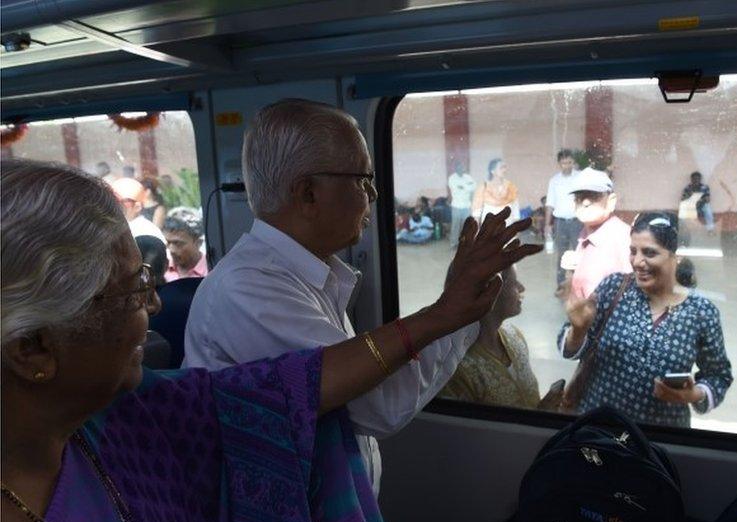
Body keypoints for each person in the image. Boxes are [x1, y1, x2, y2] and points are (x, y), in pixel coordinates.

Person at [0, 159, 535, 522]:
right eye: (134, 291)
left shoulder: (132, 418)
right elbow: (371, 408)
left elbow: (286, 388)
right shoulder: (245, 291)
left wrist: (444, 314)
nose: (156, 304)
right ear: (33, 349)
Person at [184, 99, 541, 496]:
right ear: (308, 194)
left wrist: (456, 306)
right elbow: (381, 405)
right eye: (362, 179)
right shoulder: (250, 291)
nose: (373, 194)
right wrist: (450, 312)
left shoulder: (310, 278)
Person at [559, 213, 733, 427]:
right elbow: (571, 349)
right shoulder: (614, 288)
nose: (637, 262)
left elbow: (719, 376)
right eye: (633, 251)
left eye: (649, 253)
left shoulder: (701, 313)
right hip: (599, 429)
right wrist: (578, 331)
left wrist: (692, 394)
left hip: (661, 441)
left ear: (676, 255)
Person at [442, 266, 561, 410]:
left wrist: (543, 409)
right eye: (513, 282)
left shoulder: (514, 336)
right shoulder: (458, 368)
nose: (522, 288)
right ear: (489, 292)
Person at [562, 167, 632, 299]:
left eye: (593, 196)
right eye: (579, 197)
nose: (585, 202)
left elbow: (632, 292)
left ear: (611, 201)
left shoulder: (622, 237)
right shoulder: (586, 231)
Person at [545, 150, 581, 293]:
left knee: (580, 253)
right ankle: (561, 285)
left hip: (577, 222)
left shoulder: (580, 177)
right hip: (560, 223)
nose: (567, 166)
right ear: (559, 164)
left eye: (570, 162)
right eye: (564, 163)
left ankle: (579, 286)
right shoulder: (554, 181)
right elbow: (550, 203)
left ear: (573, 162)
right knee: (562, 254)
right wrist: (548, 224)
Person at [111, 177, 166, 244]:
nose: (118, 206)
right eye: (113, 201)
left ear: (137, 207)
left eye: (124, 202)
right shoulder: (109, 228)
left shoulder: (148, 231)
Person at [472, 158, 519, 226]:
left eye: (505, 167)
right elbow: (476, 211)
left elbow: (515, 210)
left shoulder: (511, 188)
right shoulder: (483, 188)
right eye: (501, 168)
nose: (504, 170)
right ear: (493, 171)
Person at [162, 215, 208, 281]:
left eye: (178, 243)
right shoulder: (162, 271)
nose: (171, 250)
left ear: (198, 243)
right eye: (168, 242)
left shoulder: (211, 270)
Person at [448, 161, 477, 247]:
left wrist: (463, 186)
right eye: (459, 168)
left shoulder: (468, 177)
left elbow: (474, 187)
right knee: (455, 226)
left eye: (462, 167)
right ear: (456, 169)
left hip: (467, 206)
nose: (461, 169)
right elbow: (456, 188)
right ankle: (454, 243)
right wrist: (467, 186)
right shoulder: (452, 178)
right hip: (456, 206)